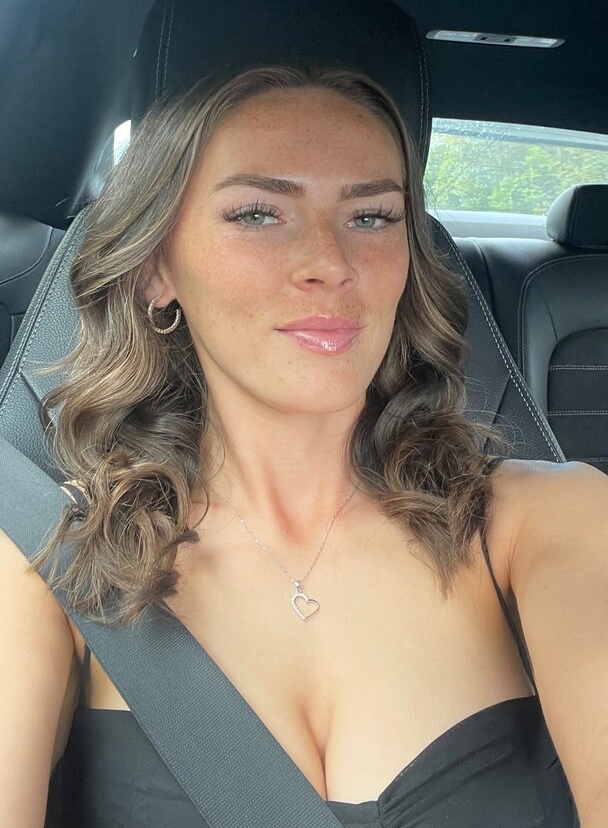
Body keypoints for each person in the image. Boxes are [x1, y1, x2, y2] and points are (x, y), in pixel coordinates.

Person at [2, 62, 605, 828]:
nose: (331, 264)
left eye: (372, 217)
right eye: (258, 214)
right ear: (157, 269)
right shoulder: (47, 558)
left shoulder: (549, 521)